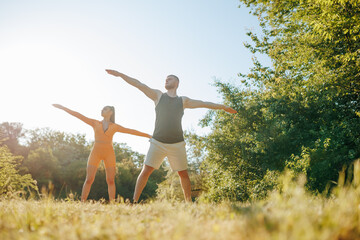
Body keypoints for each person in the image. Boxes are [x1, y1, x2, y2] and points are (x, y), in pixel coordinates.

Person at [105, 69, 237, 202]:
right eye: (166, 79)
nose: (166, 80)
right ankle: (134, 201)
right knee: (146, 171)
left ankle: (188, 203)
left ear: (177, 83)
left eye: (170, 78)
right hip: (158, 142)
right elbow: (139, 84)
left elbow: (203, 103)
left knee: (183, 174)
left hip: (177, 144)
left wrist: (223, 107)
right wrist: (121, 75)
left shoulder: (183, 100)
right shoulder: (158, 95)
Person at [52, 104, 152, 202]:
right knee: (89, 179)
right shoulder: (95, 123)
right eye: (102, 109)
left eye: (105, 109)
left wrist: (148, 135)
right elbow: (79, 115)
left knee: (111, 180)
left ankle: (112, 203)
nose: (102, 110)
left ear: (110, 112)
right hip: (95, 152)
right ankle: (82, 202)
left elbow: (131, 131)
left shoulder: (115, 126)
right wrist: (63, 108)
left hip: (109, 154)